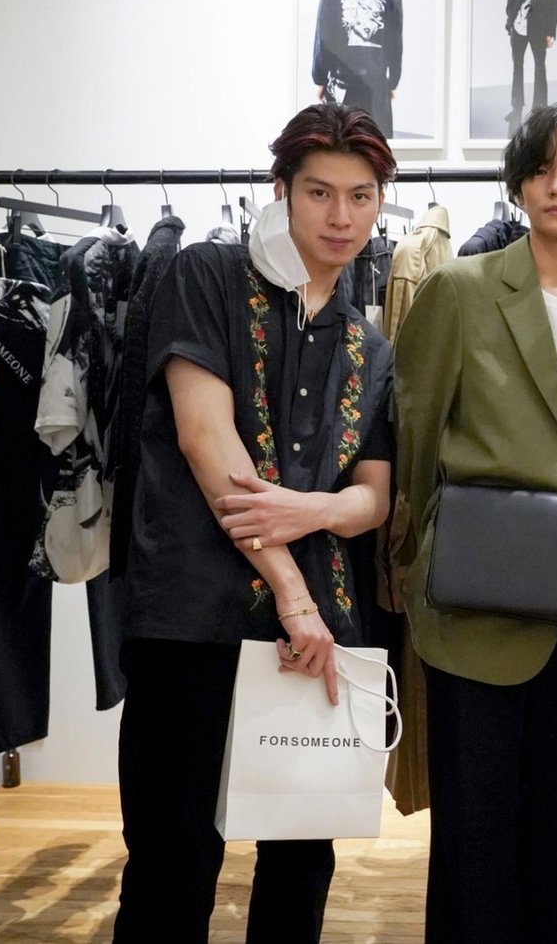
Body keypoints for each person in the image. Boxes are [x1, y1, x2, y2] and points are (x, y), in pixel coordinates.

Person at [112, 103, 396, 943]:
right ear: (280, 192)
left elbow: (375, 495)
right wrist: (292, 590)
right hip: (193, 617)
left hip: (315, 640)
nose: (341, 216)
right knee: (171, 861)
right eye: (319, 193)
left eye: (360, 196)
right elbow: (208, 443)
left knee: (301, 865)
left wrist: (316, 510)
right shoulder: (205, 275)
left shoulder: (368, 344)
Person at [393, 101, 557, 943]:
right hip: (474, 604)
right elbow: (416, 435)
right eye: (541, 169)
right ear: (518, 186)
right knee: (474, 837)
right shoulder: (461, 291)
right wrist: (417, 561)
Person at [312, 0, 404, 139]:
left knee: (340, 142)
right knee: (374, 145)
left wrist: (320, 79)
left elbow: (324, 40)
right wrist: (392, 82)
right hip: (376, 85)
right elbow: (395, 45)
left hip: (341, 84)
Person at [504, 0, 557, 132]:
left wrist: (551, 33)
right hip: (518, 29)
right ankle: (516, 106)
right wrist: (510, 24)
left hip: (538, 31)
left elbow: (554, 9)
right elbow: (510, 4)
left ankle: (540, 107)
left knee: (539, 68)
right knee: (517, 68)